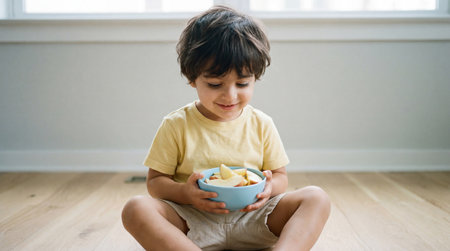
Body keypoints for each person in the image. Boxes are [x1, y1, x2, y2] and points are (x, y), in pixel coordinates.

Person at [122, 5, 330, 251]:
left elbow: (281, 176)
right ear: (192, 78)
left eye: (242, 83)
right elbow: (155, 183)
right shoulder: (176, 125)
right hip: (193, 220)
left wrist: (268, 188)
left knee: (317, 197)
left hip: (254, 217)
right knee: (135, 208)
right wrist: (186, 195)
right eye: (214, 83)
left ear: (256, 77)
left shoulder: (262, 123)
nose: (230, 96)